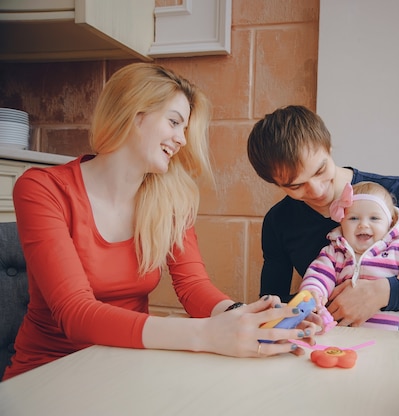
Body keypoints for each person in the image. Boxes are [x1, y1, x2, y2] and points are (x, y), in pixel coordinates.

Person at [3, 63, 315, 381]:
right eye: (174, 122)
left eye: (185, 129)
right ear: (133, 112)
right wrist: (205, 334)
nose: (181, 140)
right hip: (47, 373)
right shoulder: (41, 188)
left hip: (127, 367)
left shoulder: (171, 198)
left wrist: (245, 316)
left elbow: (193, 286)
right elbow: (76, 313)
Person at [246, 105, 399, 330]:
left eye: (320, 170)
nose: (317, 191)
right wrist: (309, 305)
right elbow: (272, 303)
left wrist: (384, 293)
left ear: (329, 147)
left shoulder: (394, 193)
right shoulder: (279, 221)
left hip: (389, 346)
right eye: (296, 185)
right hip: (324, 344)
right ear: (276, 184)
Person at [300, 181, 399, 331]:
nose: (363, 224)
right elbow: (318, 276)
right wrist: (313, 293)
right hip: (341, 334)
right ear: (341, 223)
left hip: (386, 338)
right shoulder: (334, 252)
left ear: (390, 224)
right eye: (354, 218)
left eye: (374, 218)